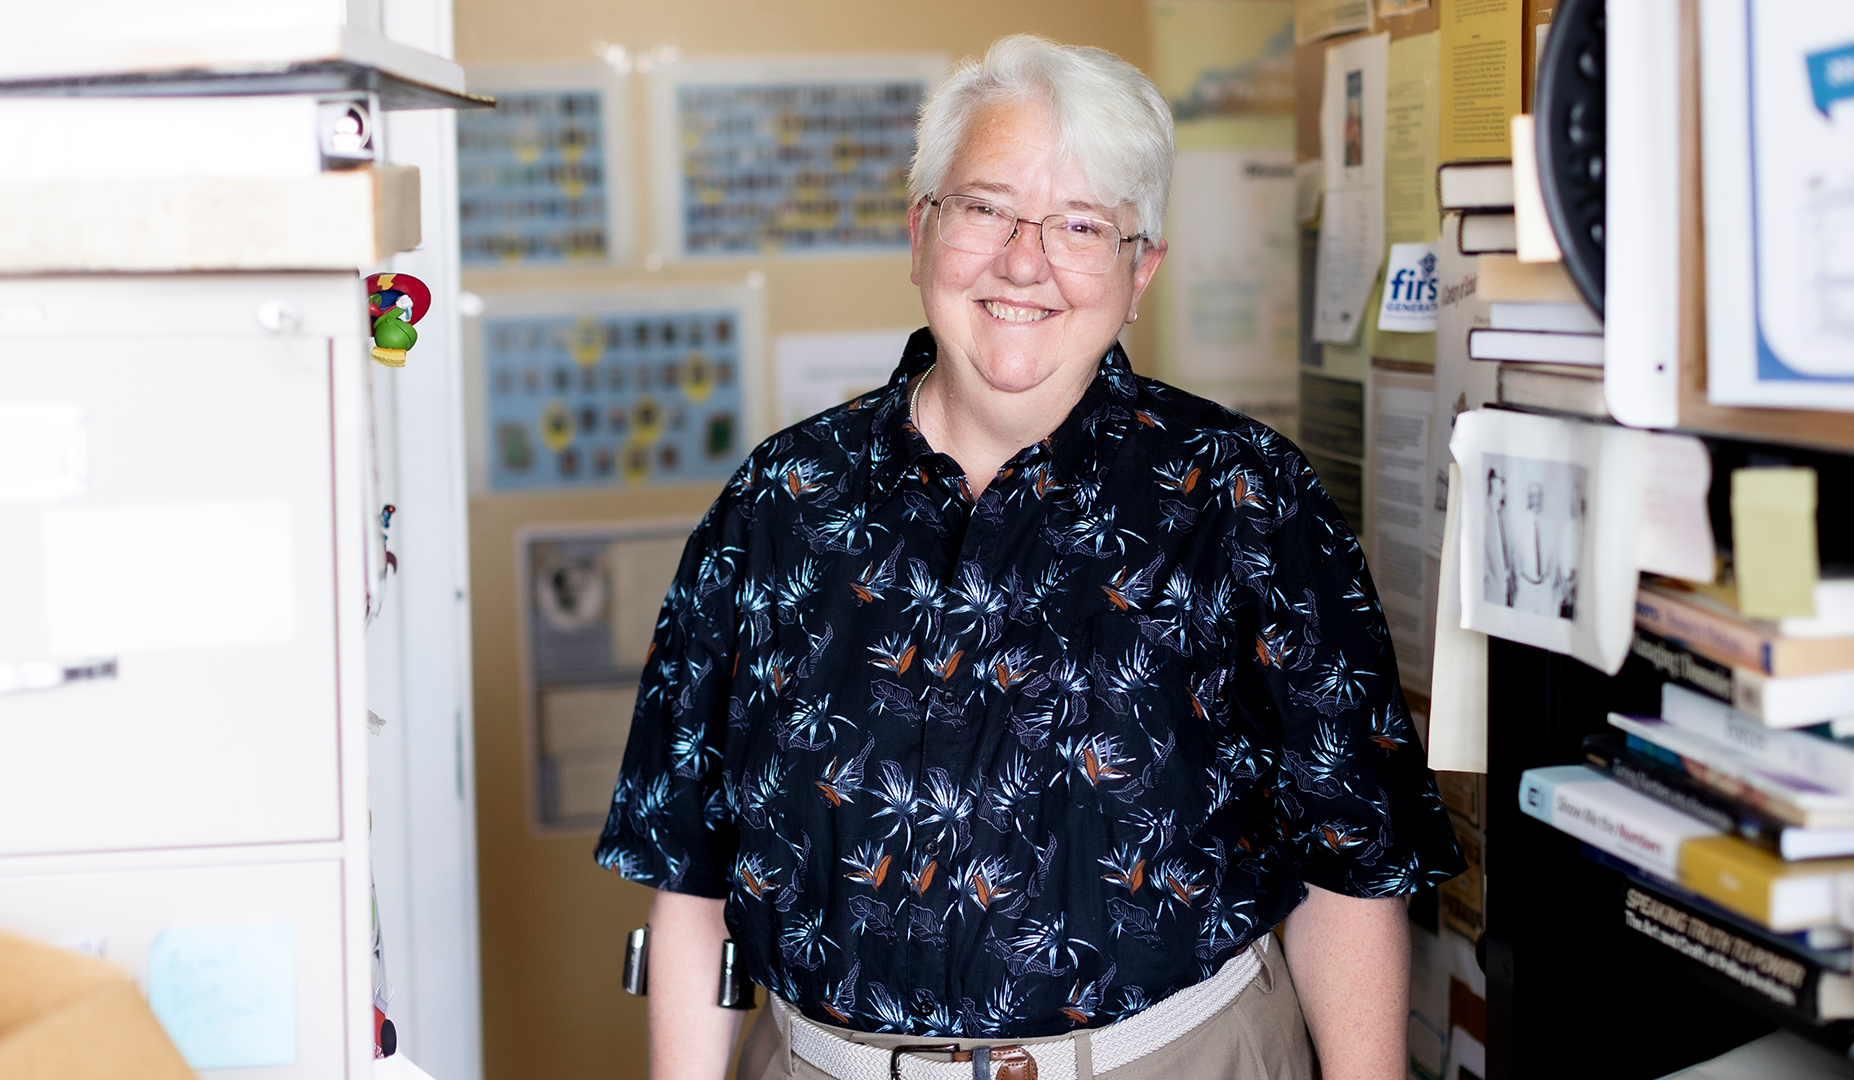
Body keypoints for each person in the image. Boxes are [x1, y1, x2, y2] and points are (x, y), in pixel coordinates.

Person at [596, 34, 1463, 1080]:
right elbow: (691, 874)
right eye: (986, 209)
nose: (1024, 261)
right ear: (921, 232)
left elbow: (1354, 862)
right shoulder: (779, 503)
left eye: (1082, 225)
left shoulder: (1245, 498)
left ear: (1141, 271)